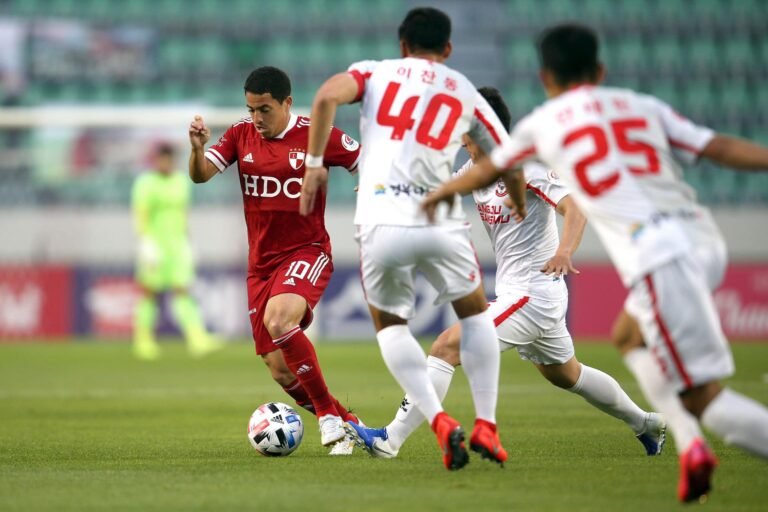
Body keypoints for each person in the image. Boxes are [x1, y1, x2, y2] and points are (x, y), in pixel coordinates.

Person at [423, 23, 768, 502]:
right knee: (603, 350)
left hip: (659, 251)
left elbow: (505, 171)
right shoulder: (640, 105)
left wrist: (562, 249)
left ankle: (693, 446)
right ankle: (659, 429)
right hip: (701, 237)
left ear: (545, 77)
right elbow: (719, 147)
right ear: (601, 70)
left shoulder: (543, 125)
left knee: (706, 400)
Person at [349, 86, 665, 459]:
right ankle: (646, 423)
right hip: (522, 292)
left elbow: (575, 207)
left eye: (466, 130)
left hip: (534, 292)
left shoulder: (527, 165)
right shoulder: (477, 167)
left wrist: (565, 250)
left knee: (447, 346)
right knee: (567, 374)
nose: (461, 139)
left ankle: (390, 440)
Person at [300, 7, 526, 471]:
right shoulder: (463, 89)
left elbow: (324, 98)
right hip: (440, 221)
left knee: (391, 327)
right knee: (477, 315)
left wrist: (314, 165)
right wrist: (519, 200)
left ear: (402, 45)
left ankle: (439, 420)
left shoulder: (373, 72)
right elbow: (507, 159)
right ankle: (487, 422)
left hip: (382, 220)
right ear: (447, 50)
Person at [187, 66, 363, 454]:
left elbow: (362, 160)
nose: (256, 119)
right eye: (250, 109)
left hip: (307, 250)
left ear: (287, 103)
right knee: (279, 368)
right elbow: (200, 176)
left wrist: (369, 189)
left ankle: (328, 418)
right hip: (261, 264)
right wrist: (198, 149)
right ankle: (353, 426)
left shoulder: (317, 134)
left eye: (264, 109)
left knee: (280, 319)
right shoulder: (239, 135)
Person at [131, 143, 220, 360]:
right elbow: (140, 213)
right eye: (162, 159)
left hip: (178, 245)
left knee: (183, 290)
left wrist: (189, 242)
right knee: (149, 292)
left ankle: (196, 338)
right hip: (154, 245)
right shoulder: (145, 183)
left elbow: (183, 213)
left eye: (169, 159)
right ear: (155, 160)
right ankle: (143, 340)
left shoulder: (181, 181)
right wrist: (145, 242)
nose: (166, 163)